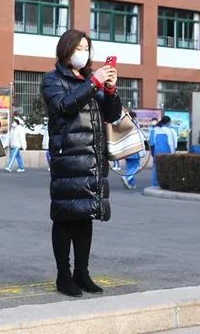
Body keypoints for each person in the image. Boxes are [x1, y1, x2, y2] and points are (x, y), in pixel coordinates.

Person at [41, 29, 122, 298]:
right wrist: (94, 83)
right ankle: (63, 275)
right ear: (65, 50)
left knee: (86, 215)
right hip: (67, 157)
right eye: (78, 48)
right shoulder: (52, 80)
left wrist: (110, 90)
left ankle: (82, 272)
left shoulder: (90, 80)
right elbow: (64, 106)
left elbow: (112, 115)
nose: (83, 53)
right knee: (65, 216)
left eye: (86, 48)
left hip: (92, 158)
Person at [151, 116, 178, 188]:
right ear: (168, 122)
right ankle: (166, 183)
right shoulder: (169, 131)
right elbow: (171, 143)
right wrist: (173, 153)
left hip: (157, 151)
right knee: (167, 168)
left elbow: (154, 142)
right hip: (166, 152)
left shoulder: (157, 130)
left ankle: (154, 184)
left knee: (156, 167)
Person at [121, 110, 140, 189]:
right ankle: (126, 177)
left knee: (129, 167)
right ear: (134, 117)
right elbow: (139, 136)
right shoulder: (133, 125)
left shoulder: (124, 125)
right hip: (134, 148)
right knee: (137, 166)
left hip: (126, 150)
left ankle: (131, 183)